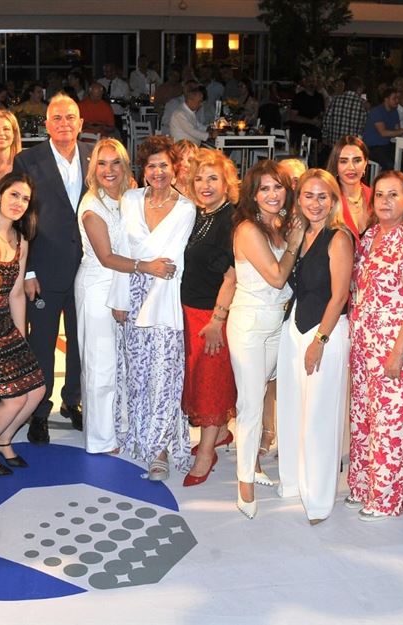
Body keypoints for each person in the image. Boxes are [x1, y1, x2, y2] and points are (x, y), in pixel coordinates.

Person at [347, 170, 403, 520]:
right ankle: (362, 486)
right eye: (380, 194)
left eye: (393, 194)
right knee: (364, 419)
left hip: (394, 348)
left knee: (390, 425)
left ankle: (386, 499)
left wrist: (397, 355)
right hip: (364, 346)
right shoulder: (370, 236)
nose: (385, 201)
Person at [109, 136, 196, 480]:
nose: (158, 172)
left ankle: (160, 449)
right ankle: (137, 432)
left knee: (163, 376)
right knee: (136, 373)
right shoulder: (130, 200)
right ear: (142, 170)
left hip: (163, 300)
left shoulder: (186, 209)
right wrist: (120, 298)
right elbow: (120, 249)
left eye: (164, 165)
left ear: (175, 169)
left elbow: (170, 263)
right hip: (131, 296)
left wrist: (143, 264)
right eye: (151, 166)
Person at [274, 168, 352, 524]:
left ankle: (319, 500)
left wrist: (320, 340)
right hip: (295, 327)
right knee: (292, 410)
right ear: (299, 198)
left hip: (325, 333)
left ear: (334, 200)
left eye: (323, 196)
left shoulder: (339, 238)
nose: (315, 203)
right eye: (309, 195)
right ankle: (293, 483)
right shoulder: (301, 233)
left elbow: (340, 296)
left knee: (320, 417)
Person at [12, 94, 90, 441]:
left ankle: (72, 400)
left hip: (87, 269)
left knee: (80, 341)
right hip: (43, 270)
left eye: (70, 117)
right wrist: (27, 270)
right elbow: (20, 217)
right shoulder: (28, 160)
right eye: (56, 118)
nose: (64, 124)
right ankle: (39, 410)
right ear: (46, 125)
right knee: (41, 344)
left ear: (80, 123)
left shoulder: (94, 156)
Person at [228, 161, 303, 518]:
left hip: (277, 323)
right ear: (253, 195)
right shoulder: (248, 229)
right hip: (249, 324)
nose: (272, 195)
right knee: (250, 405)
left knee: (261, 396)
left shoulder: (281, 225)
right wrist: (295, 244)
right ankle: (244, 483)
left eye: (278, 187)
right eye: (264, 189)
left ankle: (254, 465)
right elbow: (276, 277)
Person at [75, 139, 159, 452]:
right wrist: (146, 267)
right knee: (100, 366)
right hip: (98, 288)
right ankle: (99, 438)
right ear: (93, 168)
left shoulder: (127, 196)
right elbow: (107, 257)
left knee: (120, 364)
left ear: (125, 166)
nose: (108, 170)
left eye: (115, 163)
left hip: (124, 286)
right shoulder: (91, 206)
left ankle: (117, 426)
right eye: (102, 163)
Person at [0, 174, 47, 472]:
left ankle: (3, 440)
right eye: (14, 195)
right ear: (0, 195)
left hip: (6, 327)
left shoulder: (20, 240)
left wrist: (20, 336)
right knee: (13, 399)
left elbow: (16, 293)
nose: (19, 203)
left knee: (37, 390)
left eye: (25, 199)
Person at [179, 149, 239, 486]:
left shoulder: (231, 220)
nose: (205, 185)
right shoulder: (200, 215)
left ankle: (206, 453)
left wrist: (217, 320)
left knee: (210, 384)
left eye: (213, 178)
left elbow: (232, 276)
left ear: (226, 183)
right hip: (190, 310)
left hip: (212, 314)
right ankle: (218, 434)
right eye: (200, 178)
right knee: (199, 380)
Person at [327, 135, 373, 238]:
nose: (351, 167)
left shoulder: (375, 197)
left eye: (357, 161)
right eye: (343, 161)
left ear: (365, 163)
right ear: (335, 165)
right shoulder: (328, 199)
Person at [361, 88, 403, 171]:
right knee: (390, 164)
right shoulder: (377, 111)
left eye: (398, 98)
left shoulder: (394, 111)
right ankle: (383, 179)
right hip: (371, 147)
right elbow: (383, 133)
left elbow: (397, 131)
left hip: (385, 145)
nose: (397, 101)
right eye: (394, 98)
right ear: (386, 99)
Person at [323, 77, 370, 147]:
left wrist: (324, 136)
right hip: (351, 145)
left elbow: (326, 120)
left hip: (335, 144)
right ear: (359, 89)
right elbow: (365, 126)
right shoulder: (362, 104)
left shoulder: (335, 100)